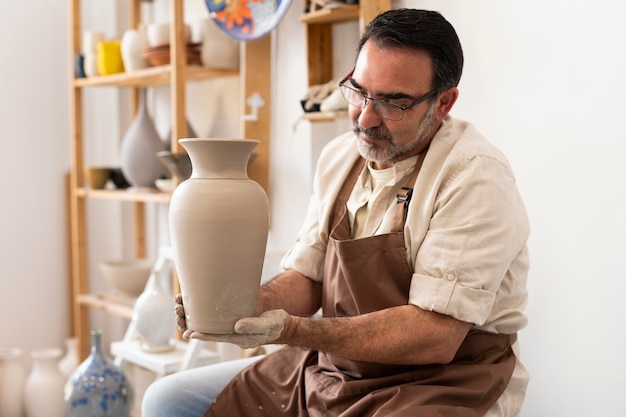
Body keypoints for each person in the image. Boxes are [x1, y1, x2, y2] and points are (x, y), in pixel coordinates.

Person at [142, 8, 530, 417]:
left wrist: (293, 330)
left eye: (392, 103)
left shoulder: (475, 177)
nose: (365, 117)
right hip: (339, 367)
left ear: (443, 103)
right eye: (359, 91)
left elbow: (435, 336)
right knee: (166, 401)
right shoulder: (340, 157)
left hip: (442, 380)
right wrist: (247, 307)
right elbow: (308, 277)